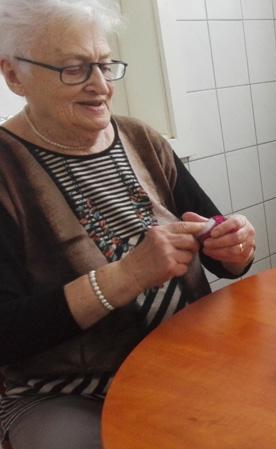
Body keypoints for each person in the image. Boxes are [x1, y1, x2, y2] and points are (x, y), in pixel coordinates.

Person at [0, 1, 257, 448]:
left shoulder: (141, 139)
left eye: (104, 65)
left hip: (187, 357)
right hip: (68, 393)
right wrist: (128, 275)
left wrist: (234, 245)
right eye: (74, 69)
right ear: (14, 75)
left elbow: (219, 251)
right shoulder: (6, 170)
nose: (101, 86)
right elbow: (7, 333)